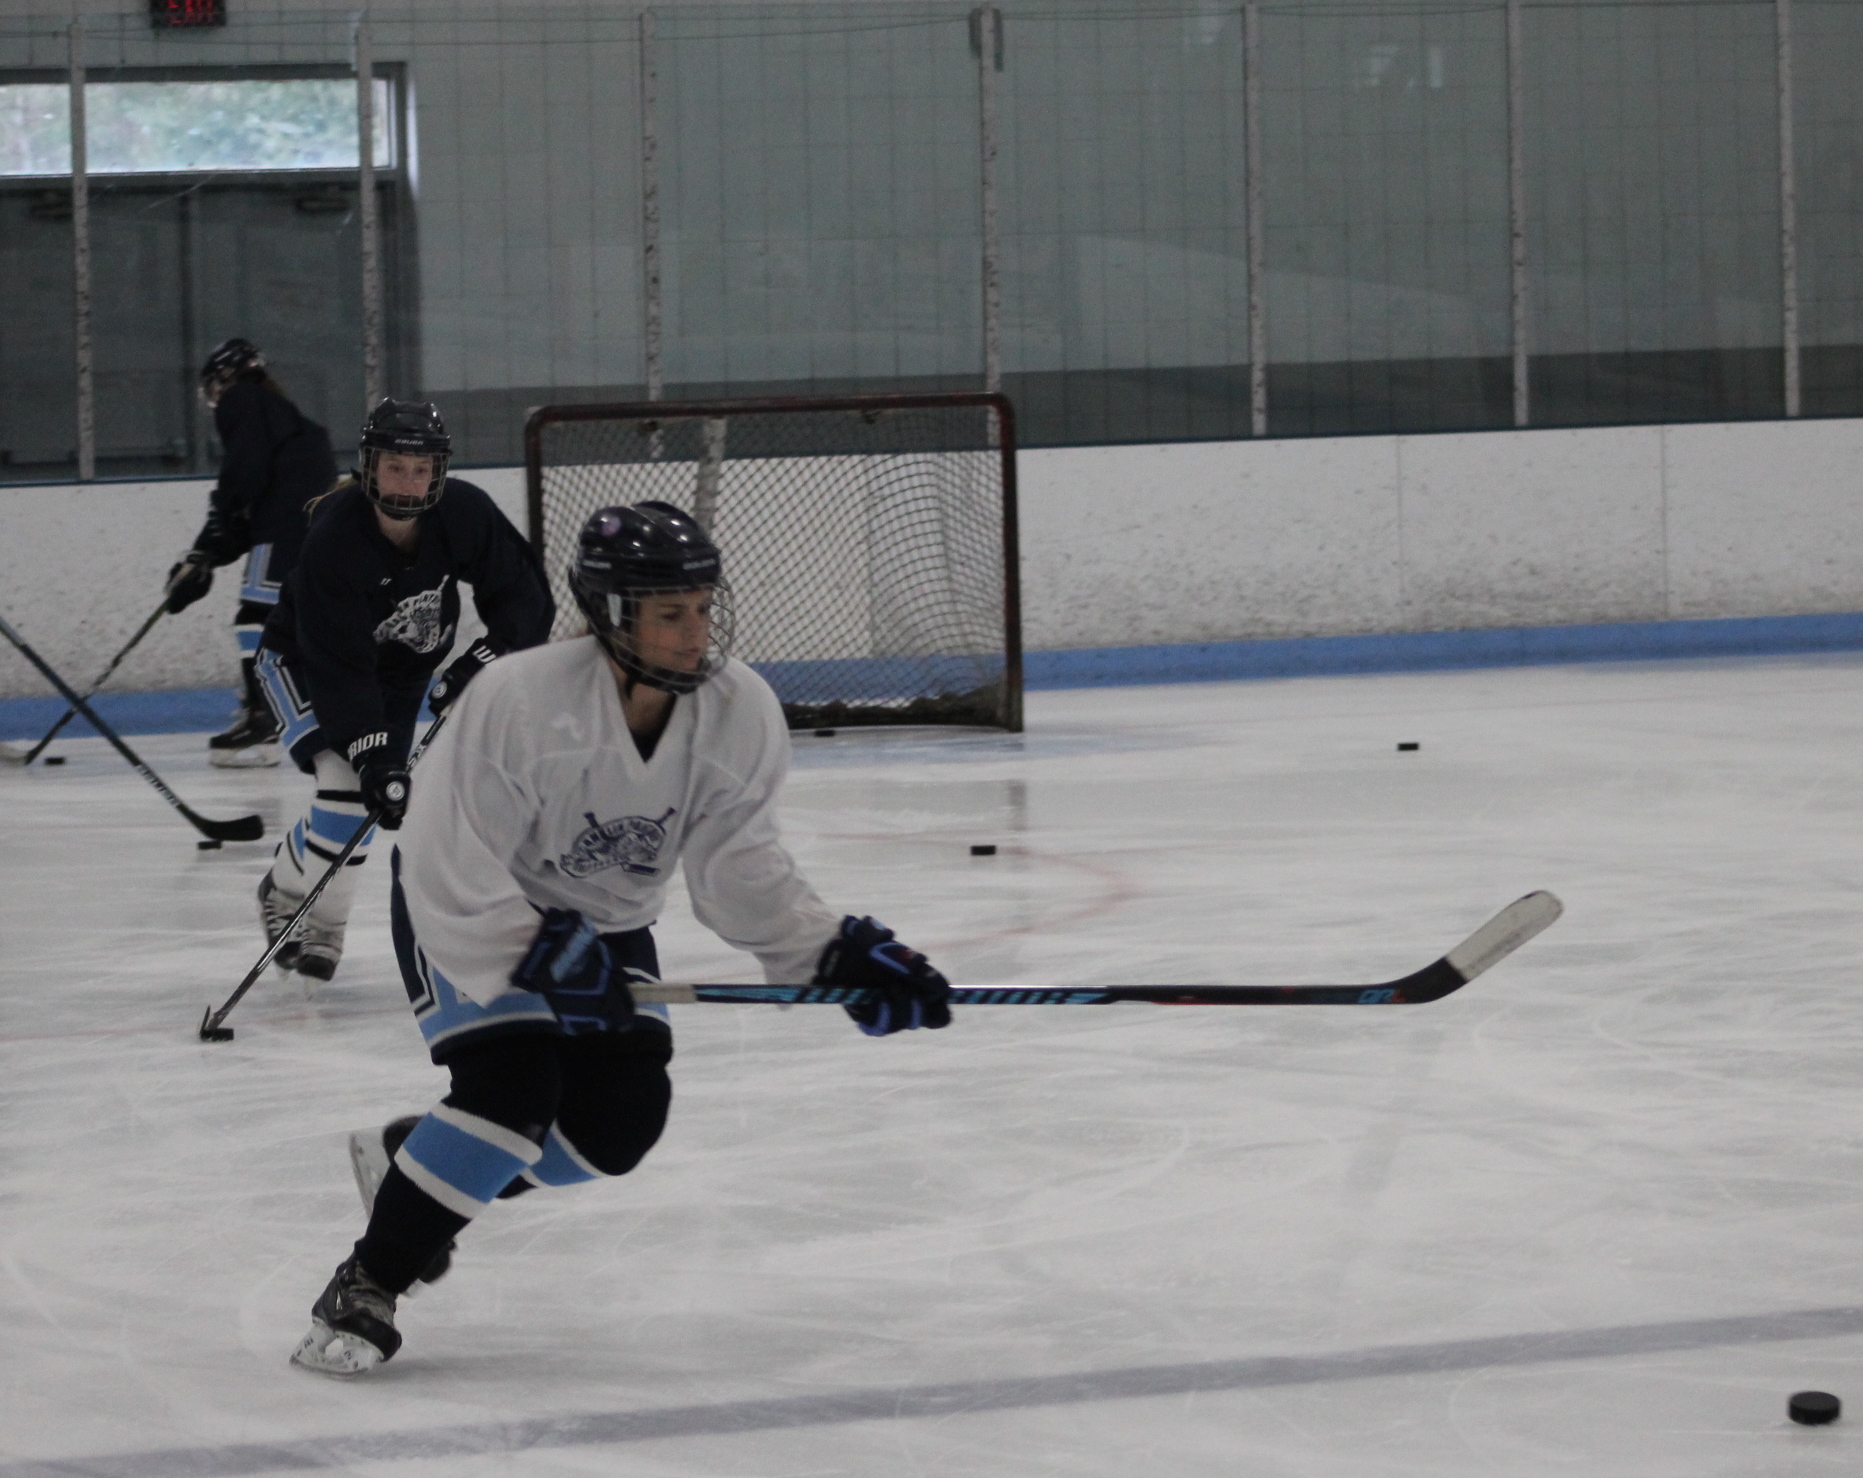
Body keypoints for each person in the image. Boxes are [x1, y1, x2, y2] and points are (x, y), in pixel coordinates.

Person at [289, 501, 954, 1377]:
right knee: (512, 1089)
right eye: (670, 613)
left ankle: (418, 1165)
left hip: (606, 922)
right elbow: (451, 856)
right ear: (611, 616)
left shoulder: (736, 710)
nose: (695, 633)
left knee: (617, 1128)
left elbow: (739, 870)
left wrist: (838, 955)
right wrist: (538, 958)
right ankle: (368, 1280)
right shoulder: (519, 701)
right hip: (472, 907)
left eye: (704, 608)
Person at [254, 398, 553, 984]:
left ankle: (294, 891)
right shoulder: (336, 540)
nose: (409, 482)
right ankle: (313, 915)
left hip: (400, 673)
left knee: (372, 794)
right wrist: (373, 752)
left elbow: (524, 596)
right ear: (369, 466)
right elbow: (339, 667)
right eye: (395, 466)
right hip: (303, 664)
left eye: (421, 469)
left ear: (439, 472)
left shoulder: (463, 513)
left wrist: (484, 663)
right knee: (349, 787)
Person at [164, 338, 338, 767]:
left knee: (256, 619)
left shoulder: (241, 399)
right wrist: (207, 552)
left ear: (225, 378)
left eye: (214, 386)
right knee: (271, 620)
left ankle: (262, 720)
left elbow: (244, 472)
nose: (214, 397)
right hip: (307, 526)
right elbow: (257, 493)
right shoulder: (279, 414)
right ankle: (269, 718)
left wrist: (211, 532)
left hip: (287, 527)